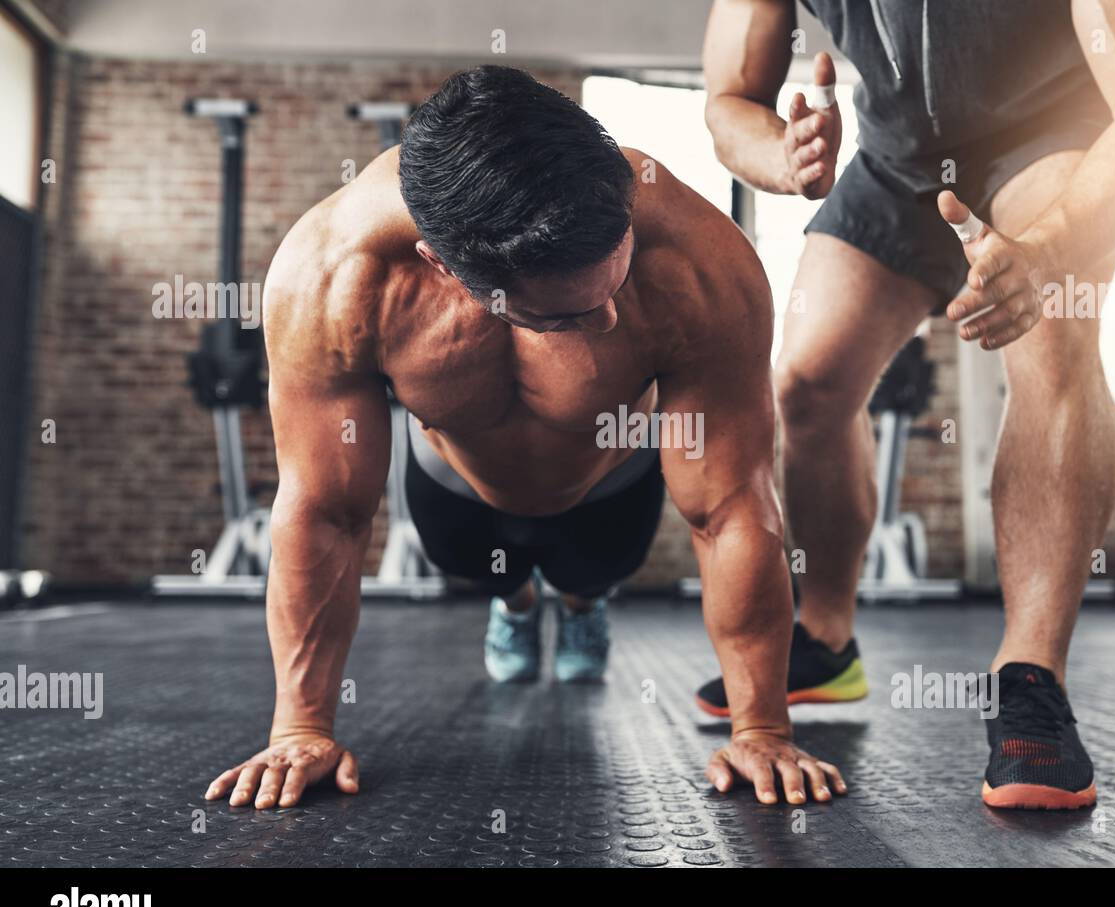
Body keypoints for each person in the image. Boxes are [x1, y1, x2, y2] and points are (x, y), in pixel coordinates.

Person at [204, 65, 847, 810]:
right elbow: (325, 509)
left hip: (611, 482)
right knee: (487, 568)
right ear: (445, 268)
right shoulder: (332, 277)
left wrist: (762, 725)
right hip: (456, 490)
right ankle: (514, 606)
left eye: (615, 283)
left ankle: (579, 605)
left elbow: (731, 505)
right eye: (565, 316)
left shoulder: (703, 264)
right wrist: (299, 728)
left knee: (588, 572)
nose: (606, 324)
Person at [700, 0, 1115, 808]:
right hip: (896, 163)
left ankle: (1030, 676)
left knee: (1052, 339)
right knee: (805, 379)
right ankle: (826, 638)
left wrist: (1050, 249)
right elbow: (729, 100)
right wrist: (785, 155)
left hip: (1051, 138)